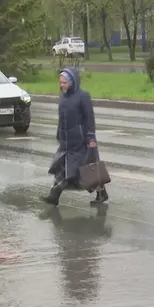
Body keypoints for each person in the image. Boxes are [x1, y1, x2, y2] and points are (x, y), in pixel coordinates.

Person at [41, 67, 108, 206]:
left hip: (80, 141)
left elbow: (89, 119)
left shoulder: (83, 96)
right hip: (66, 141)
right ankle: (101, 193)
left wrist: (91, 139)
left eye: (64, 82)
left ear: (72, 82)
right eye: (60, 82)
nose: (61, 85)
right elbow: (61, 118)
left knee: (80, 169)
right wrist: (59, 133)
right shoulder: (63, 97)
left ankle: (54, 195)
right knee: (65, 167)